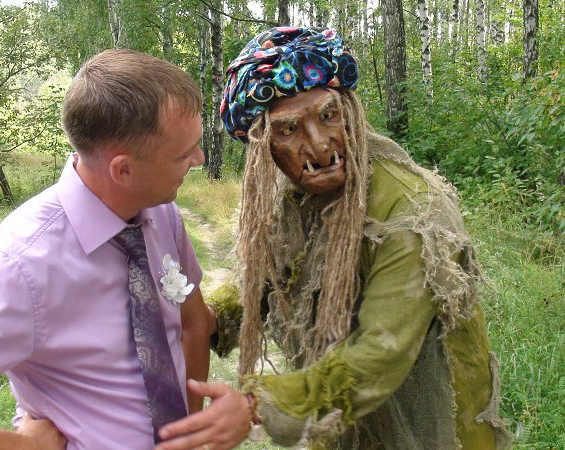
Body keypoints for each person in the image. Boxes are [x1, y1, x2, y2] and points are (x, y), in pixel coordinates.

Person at [156, 27, 513, 449]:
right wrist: (212, 315)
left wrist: (258, 404)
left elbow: (381, 352)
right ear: (263, 148)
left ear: (351, 111)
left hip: (435, 431)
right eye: (289, 130)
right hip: (352, 434)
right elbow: (269, 273)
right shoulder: (295, 200)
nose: (320, 146)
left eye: (329, 116)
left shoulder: (410, 212)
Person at [0, 49, 212, 449]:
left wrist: (192, 431)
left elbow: (193, 322)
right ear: (123, 169)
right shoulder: (18, 265)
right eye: (184, 154)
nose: (199, 160)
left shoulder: (162, 215)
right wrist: (26, 446)